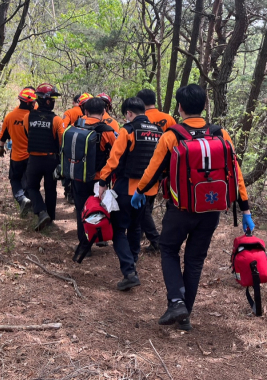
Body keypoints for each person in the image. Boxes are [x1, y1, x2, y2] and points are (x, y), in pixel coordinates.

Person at [132, 84, 252, 331]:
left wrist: (139, 191)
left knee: (168, 249)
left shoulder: (172, 136)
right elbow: (236, 173)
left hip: (181, 209)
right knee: (195, 260)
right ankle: (185, 315)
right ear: (205, 106)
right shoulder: (221, 134)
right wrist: (246, 209)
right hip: (211, 210)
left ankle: (176, 301)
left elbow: (152, 171)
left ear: (180, 107)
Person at [97, 97, 163, 291]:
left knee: (118, 229)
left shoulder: (129, 130)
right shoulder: (159, 132)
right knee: (135, 227)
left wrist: (102, 182)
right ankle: (132, 261)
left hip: (127, 188)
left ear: (129, 113)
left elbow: (114, 159)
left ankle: (129, 272)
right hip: (148, 190)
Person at [70, 97, 117, 259]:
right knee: (100, 208)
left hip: (78, 176)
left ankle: (84, 244)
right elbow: (116, 155)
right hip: (100, 179)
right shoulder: (107, 131)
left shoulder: (76, 126)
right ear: (104, 112)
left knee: (80, 208)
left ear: (86, 111)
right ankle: (99, 237)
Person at [135, 89, 178, 254]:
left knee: (142, 207)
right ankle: (142, 235)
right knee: (147, 204)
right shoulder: (169, 119)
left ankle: (154, 239)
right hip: (162, 170)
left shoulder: (139, 119)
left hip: (140, 168)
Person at [25, 83, 64, 231]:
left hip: (34, 159)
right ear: (47, 101)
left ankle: (41, 212)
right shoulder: (57, 120)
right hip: (50, 160)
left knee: (31, 187)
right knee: (50, 189)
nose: (53, 102)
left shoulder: (28, 117)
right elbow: (62, 142)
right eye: (53, 99)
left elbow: (27, 135)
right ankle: (50, 219)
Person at [0, 87, 36, 217]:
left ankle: (22, 199)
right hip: (32, 156)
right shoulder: (34, 116)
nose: (35, 104)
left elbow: (3, 135)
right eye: (33, 102)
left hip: (16, 156)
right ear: (29, 103)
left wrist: (1, 148)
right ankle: (28, 203)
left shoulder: (10, 116)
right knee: (28, 180)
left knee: (15, 179)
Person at [62, 93, 93, 204]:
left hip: (72, 144)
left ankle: (69, 192)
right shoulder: (98, 117)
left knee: (70, 167)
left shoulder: (69, 112)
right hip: (88, 149)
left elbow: (63, 129)